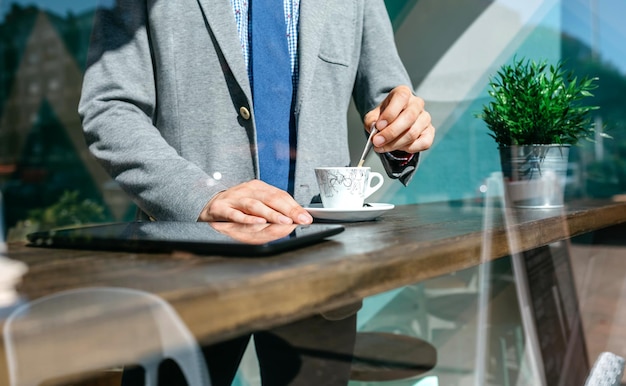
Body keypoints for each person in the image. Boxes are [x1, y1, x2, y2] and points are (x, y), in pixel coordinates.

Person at [79, 0, 435, 385]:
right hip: (188, 271)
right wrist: (201, 196)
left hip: (322, 270)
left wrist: (404, 132)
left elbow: (389, 102)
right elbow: (110, 108)